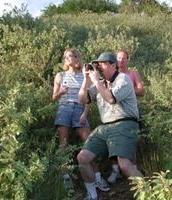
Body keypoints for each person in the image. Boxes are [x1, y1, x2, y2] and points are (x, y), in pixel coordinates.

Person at [77, 52, 143, 200]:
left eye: (103, 63)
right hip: (105, 126)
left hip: (124, 122)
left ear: (113, 65)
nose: (99, 66)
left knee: (125, 165)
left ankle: (149, 194)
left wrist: (96, 81)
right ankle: (92, 196)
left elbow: (111, 99)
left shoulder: (123, 79)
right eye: (97, 64)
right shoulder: (101, 83)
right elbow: (82, 100)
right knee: (83, 157)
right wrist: (86, 80)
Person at [52, 48, 109, 195]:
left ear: (78, 58)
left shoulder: (85, 75)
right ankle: (66, 180)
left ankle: (97, 178)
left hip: (79, 109)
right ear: (65, 60)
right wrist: (61, 92)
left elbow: (87, 99)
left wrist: (85, 113)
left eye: (74, 55)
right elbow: (54, 97)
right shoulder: (60, 75)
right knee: (63, 145)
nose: (71, 58)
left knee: (89, 144)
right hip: (64, 108)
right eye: (68, 56)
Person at [107, 49, 145, 184]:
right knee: (112, 140)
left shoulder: (133, 74)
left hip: (128, 112)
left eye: (124, 58)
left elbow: (141, 91)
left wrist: (126, 89)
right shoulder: (110, 75)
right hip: (112, 113)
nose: (121, 60)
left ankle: (133, 169)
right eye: (118, 58)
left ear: (128, 60)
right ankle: (115, 170)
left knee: (130, 141)